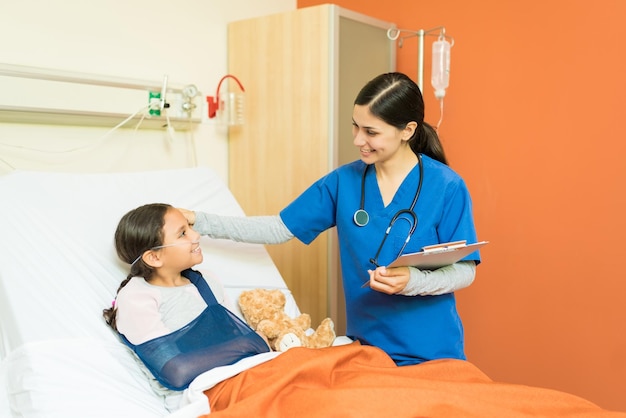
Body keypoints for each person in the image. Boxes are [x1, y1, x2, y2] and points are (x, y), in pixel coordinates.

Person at [180, 72, 480, 366]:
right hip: (367, 351)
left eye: (371, 132)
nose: (358, 140)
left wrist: (413, 281)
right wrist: (198, 219)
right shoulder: (343, 182)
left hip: (434, 352)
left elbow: (465, 271)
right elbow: (277, 228)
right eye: (356, 127)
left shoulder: (447, 186)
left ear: (407, 130)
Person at [102, 203, 271, 391]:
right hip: (208, 392)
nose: (196, 235)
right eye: (182, 233)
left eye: (189, 227)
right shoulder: (136, 297)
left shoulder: (206, 282)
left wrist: (251, 344)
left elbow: (243, 340)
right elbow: (177, 371)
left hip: (252, 375)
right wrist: (250, 343)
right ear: (154, 257)